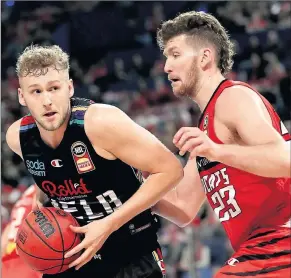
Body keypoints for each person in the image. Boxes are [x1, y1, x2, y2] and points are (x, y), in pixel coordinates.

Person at [6, 44, 183, 278]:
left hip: (129, 254)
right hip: (70, 258)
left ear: (69, 88)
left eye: (54, 88)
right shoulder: (18, 138)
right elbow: (51, 165)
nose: (47, 100)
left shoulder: (100, 123)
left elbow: (170, 171)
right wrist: (41, 191)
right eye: (36, 92)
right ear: (22, 96)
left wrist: (108, 224)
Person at [151, 11, 291, 277]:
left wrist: (215, 150)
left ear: (205, 57)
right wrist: (130, 183)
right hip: (260, 250)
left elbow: (286, 160)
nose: (167, 66)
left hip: (281, 241)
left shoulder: (233, 97)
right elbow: (182, 209)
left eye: (175, 54)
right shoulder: (206, 131)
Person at [1, 184, 42, 278]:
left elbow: (8, 230)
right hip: (31, 263)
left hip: (8, 265)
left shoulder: (28, 193)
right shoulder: (48, 189)